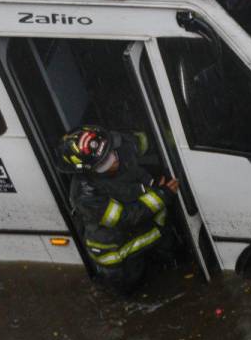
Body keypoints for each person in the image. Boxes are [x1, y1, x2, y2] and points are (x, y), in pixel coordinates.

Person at [58, 126, 177, 294]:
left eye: (112, 153)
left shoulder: (117, 144)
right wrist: (162, 195)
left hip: (143, 234)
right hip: (117, 256)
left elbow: (150, 139)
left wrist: (176, 138)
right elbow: (126, 217)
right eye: (104, 163)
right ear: (89, 170)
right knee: (133, 294)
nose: (114, 161)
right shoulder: (86, 196)